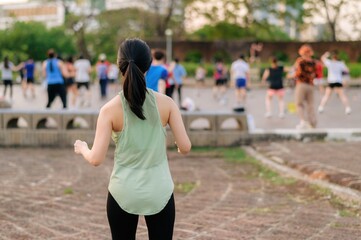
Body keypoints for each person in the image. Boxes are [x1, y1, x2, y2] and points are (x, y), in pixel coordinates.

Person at [74, 38, 191, 239]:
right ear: (149, 64)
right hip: (159, 190)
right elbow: (186, 146)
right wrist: (179, 147)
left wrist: (83, 148)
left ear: (120, 66)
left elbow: (96, 159)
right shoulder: (167, 103)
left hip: (123, 191)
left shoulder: (109, 110)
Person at [318, 51, 352, 115]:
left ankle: (321, 107)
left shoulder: (329, 63)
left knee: (327, 95)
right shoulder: (340, 63)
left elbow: (322, 58)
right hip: (338, 81)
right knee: (342, 95)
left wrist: (326, 54)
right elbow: (347, 70)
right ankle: (348, 108)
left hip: (331, 81)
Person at [293, 44, 317, 129]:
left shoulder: (300, 61)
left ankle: (303, 121)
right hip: (310, 85)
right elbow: (316, 74)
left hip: (301, 84)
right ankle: (312, 122)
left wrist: (292, 76)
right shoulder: (313, 62)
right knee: (310, 105)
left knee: (299, 103)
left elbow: (297, 73)